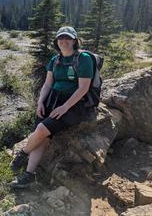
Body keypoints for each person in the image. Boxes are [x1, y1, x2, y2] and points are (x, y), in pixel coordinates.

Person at [9, 26, 95, 188]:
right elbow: (48, 84)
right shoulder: (55, 60)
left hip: (74, 104)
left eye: (68, 38)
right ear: (56, 41)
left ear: (75, 40)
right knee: (42, 136)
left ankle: (23, 153)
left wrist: (64, 108)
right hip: (52, 100)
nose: (64, 41)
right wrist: (40, 101)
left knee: (41, 129)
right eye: (61, 38)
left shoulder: (83, 58)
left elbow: (83, 88)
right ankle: (29, 175)